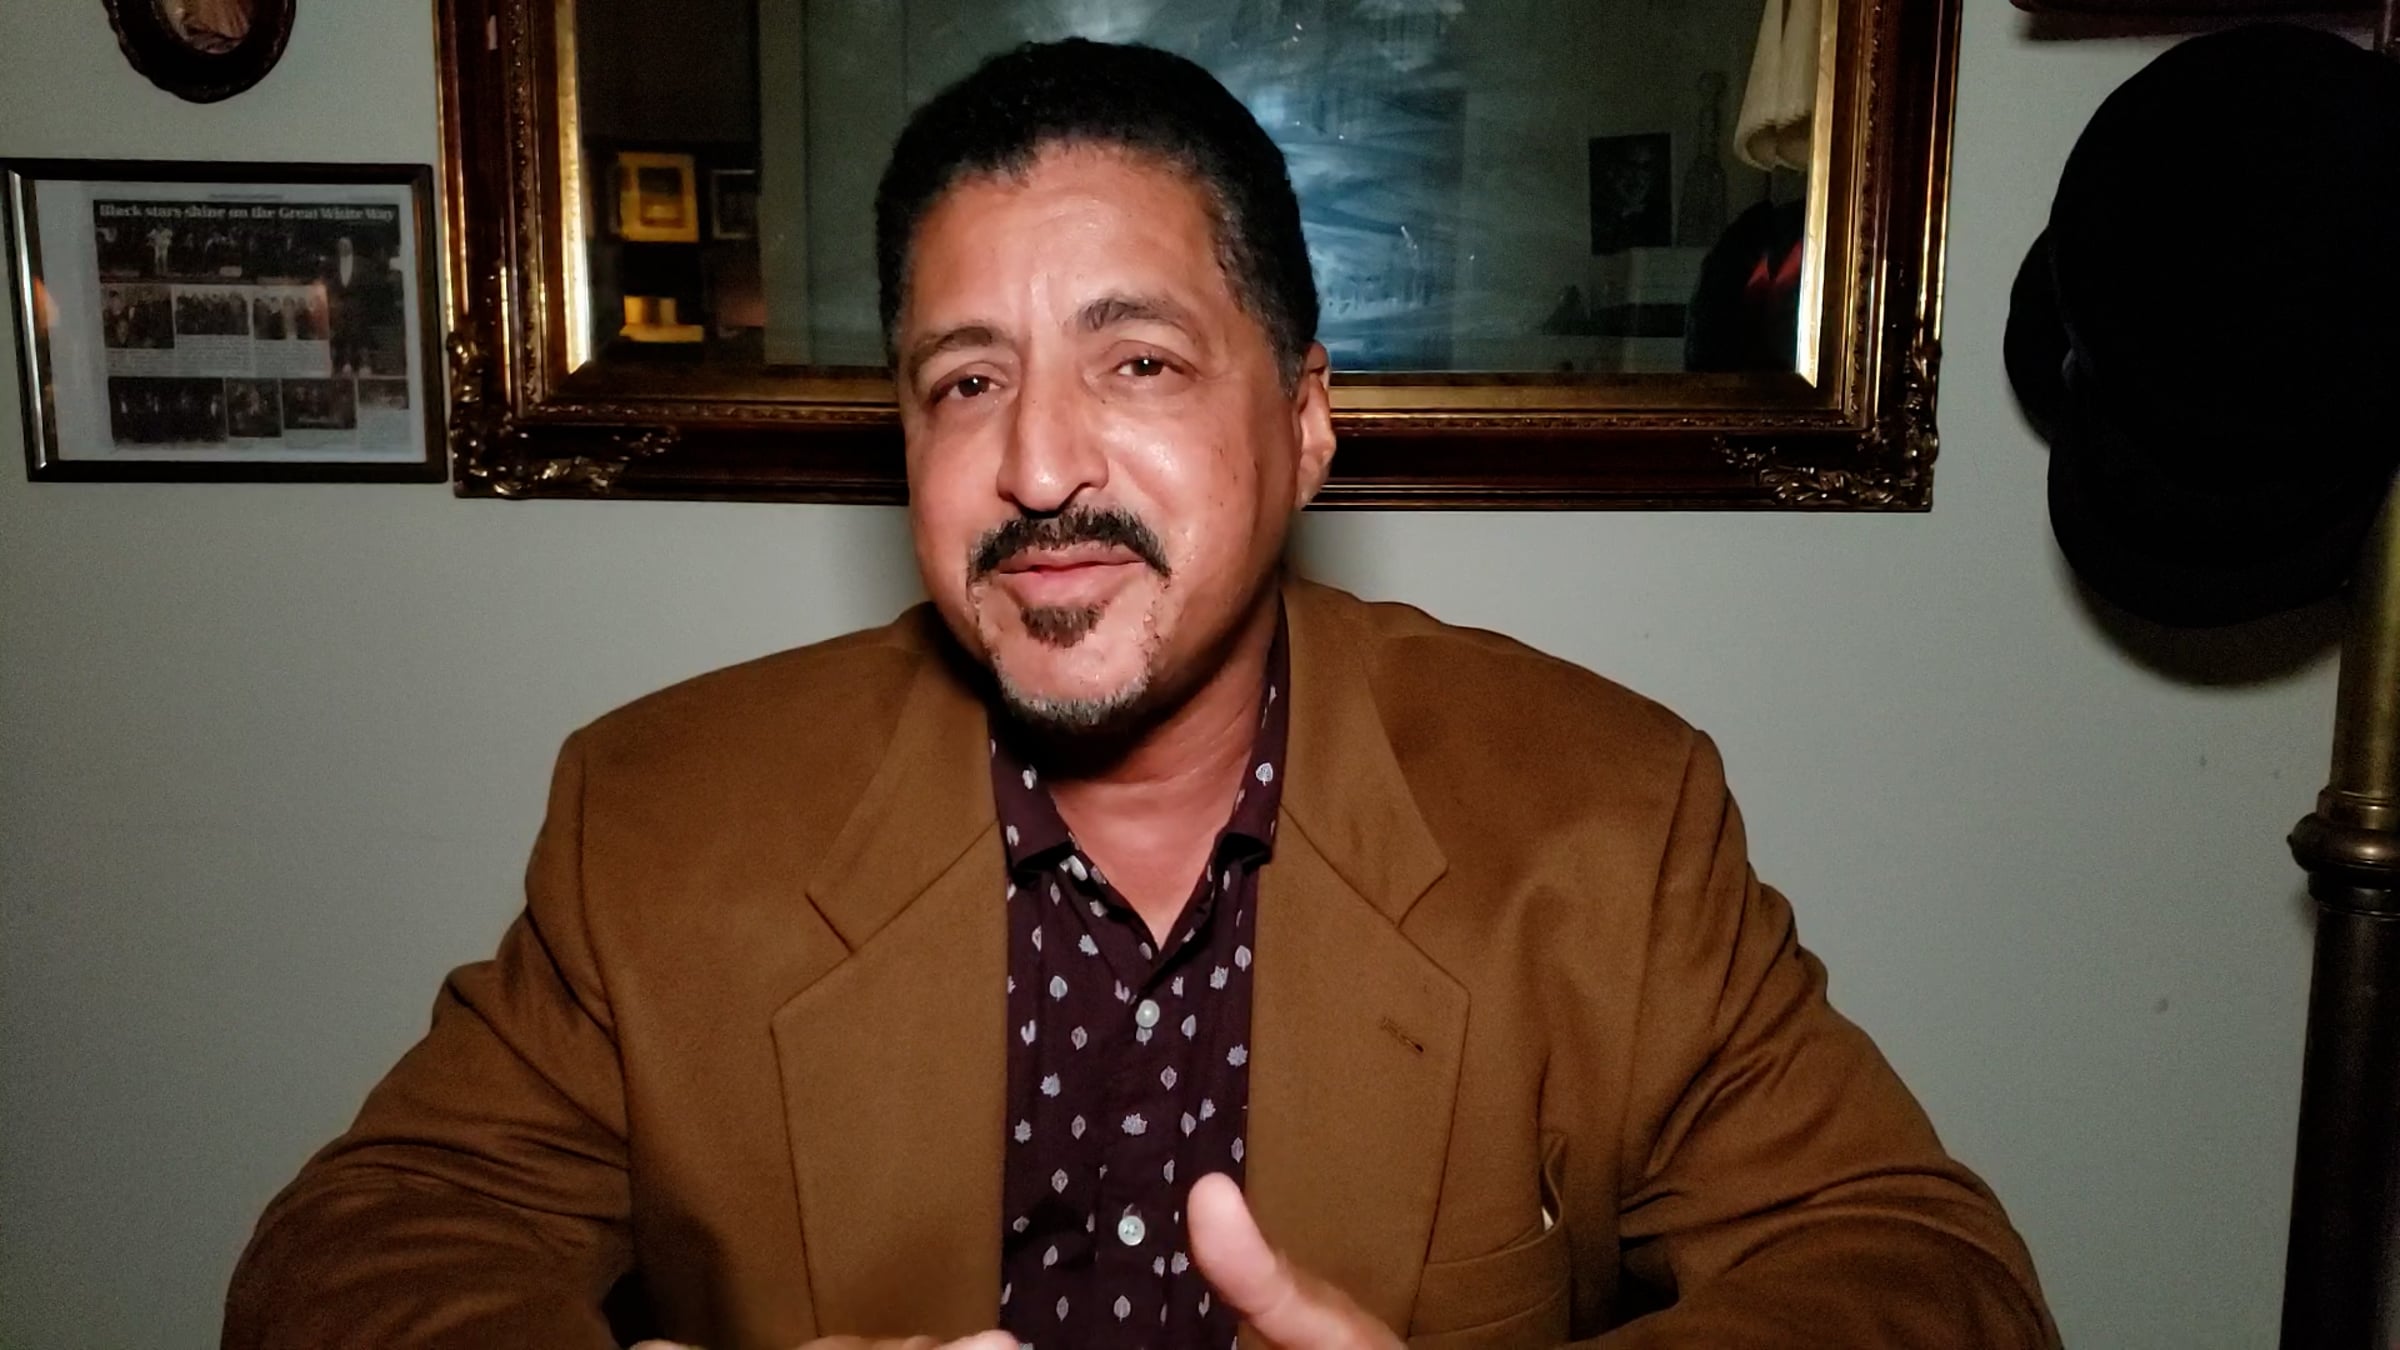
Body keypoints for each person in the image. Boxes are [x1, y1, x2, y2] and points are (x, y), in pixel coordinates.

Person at [224, 39, 2056, 1350]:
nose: (1038, 464)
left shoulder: (1605, 821)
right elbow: (356, 1254)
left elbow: (1926, 1272)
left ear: (1307, 417)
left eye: (1141, 361)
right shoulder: (660, 820)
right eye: (964, 382)